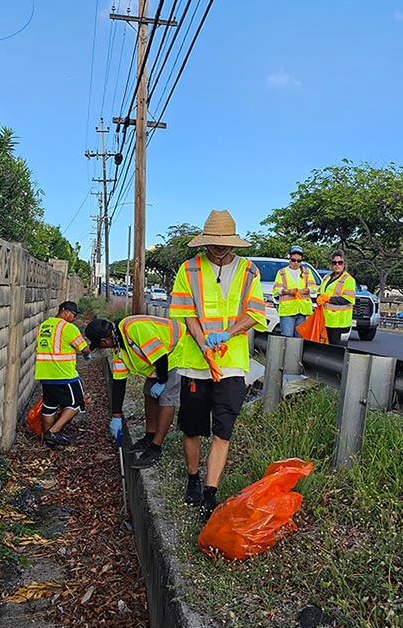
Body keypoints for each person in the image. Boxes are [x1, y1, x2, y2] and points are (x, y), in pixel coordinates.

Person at [169, 209, 267, 518]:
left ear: (233, 243)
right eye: (213, 242)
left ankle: (210, 493)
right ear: (205, 242)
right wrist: (203, 343)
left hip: (232, 365)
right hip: (196, 363)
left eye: (224, 242)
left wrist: (227, 333)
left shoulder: (249, 271)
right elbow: (187, 313)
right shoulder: (190, 269)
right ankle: (193, 479)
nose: (219, 247)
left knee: (223, 429)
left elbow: (254, 313)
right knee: (192, 428)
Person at [85, 315, 183, 469]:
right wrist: (116, 415)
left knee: (167, 399)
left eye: (101, 345)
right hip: (158, 362)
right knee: (148, 392)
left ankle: (155, 448)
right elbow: (119, 383)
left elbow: (161, 356)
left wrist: (162, 381)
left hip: (177, 352)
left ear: (104, 341)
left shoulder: (133, 328)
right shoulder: (119, 350)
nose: (103, 347)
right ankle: (149, 437)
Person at [35, 300, 91, 446]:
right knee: (77, 403)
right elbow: (84, 348)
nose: (74, 318)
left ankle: (48, 441)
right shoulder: (68, 327)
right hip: (65, 375)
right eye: (73, 314)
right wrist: (86, 354)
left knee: (49, 407)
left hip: (45, 374)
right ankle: (53, 432)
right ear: (65, 311)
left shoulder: (44, 325)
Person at [272, 245, 319, 337]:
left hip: (302, 311)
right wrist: (289, 292)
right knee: (287, 337)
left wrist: (305, 291)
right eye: (293, 260)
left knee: (300, 338)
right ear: (289, 258)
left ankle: (296, 352)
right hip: (287, 311)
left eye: (299, 261)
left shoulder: (307, 272)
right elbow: (276, 290)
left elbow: (313, 288)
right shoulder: (282, 272)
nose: (296, 263)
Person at [316, 249, 356, 345]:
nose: (337, 265)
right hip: (326, 321)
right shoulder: (326, 277)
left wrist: (329, 299)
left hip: (340, 323)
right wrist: (319, 297)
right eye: (334, 263)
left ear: (344, 264)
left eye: (340, 262)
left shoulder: (348, 280)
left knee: (338, 351)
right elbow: (320, 292)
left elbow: (348, 299)